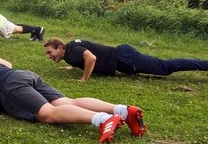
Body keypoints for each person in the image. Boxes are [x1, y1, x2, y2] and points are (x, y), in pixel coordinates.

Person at [0, 52, 146, 143]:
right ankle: (123, 110)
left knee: (48, 114)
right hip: (23, 75)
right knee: (67, 102)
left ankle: (103, 120)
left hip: (8, 87)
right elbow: (7, 64)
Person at [43, 37, 208, 81]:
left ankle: (203, 64)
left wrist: (84, 78)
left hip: (126, 59)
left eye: (50, 53)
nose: (49, 57)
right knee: (165, 67)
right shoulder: (70, 52)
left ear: (59, 48)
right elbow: (81, 57)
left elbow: (91, 58)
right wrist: (72, 66)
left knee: (166, 68)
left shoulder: (73, 51)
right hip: (122, 56)